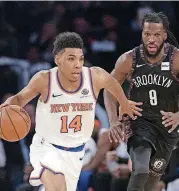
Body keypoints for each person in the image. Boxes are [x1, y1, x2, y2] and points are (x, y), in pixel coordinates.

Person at [0, 32, 142, 191]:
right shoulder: (44, 79)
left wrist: (118, 112)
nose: (77, 64)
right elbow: (19, 99)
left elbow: (112, 87)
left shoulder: (94, 75)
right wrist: (6, 106)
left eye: (80, 58)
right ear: (58, 60)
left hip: (83, 148)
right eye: (71, 58)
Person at [104, 12, 179, 191]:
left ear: (164, 36)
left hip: (167, 127)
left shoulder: (176, 59)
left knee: (152, 180)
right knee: (141, 171)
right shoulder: (129, 59)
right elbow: (109, 88)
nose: (151, 39)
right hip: (139, 122)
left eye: (156, 34)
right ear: (142, 34)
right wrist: (114, 120)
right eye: (147, 34)